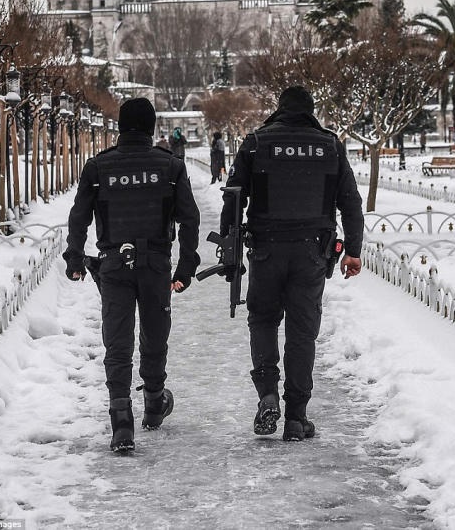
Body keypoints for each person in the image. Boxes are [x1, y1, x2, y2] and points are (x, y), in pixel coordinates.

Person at [219, 85, 364, 442]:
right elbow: (351, 201)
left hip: (266, 249)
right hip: (312, 252)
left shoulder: (256, 142)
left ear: (279, 109)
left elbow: (233, 199)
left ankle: (267, 392)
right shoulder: (330, 145)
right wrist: (354, 250)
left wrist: (230, 251)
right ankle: (297, 417)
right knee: (302, 332)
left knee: (264, 319)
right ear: (311, 110)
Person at [63, 98, 200, 452]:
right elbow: (189, 218)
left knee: (118, 340)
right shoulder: (169, 166)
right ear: (152, 127)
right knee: (155, 334)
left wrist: (76, 259)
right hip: (155, 263)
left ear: (121, 127)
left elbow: (79, 217)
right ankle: (154, 402)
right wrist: (186, 266)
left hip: (112, 263)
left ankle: (121, 421)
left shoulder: (98, 166)